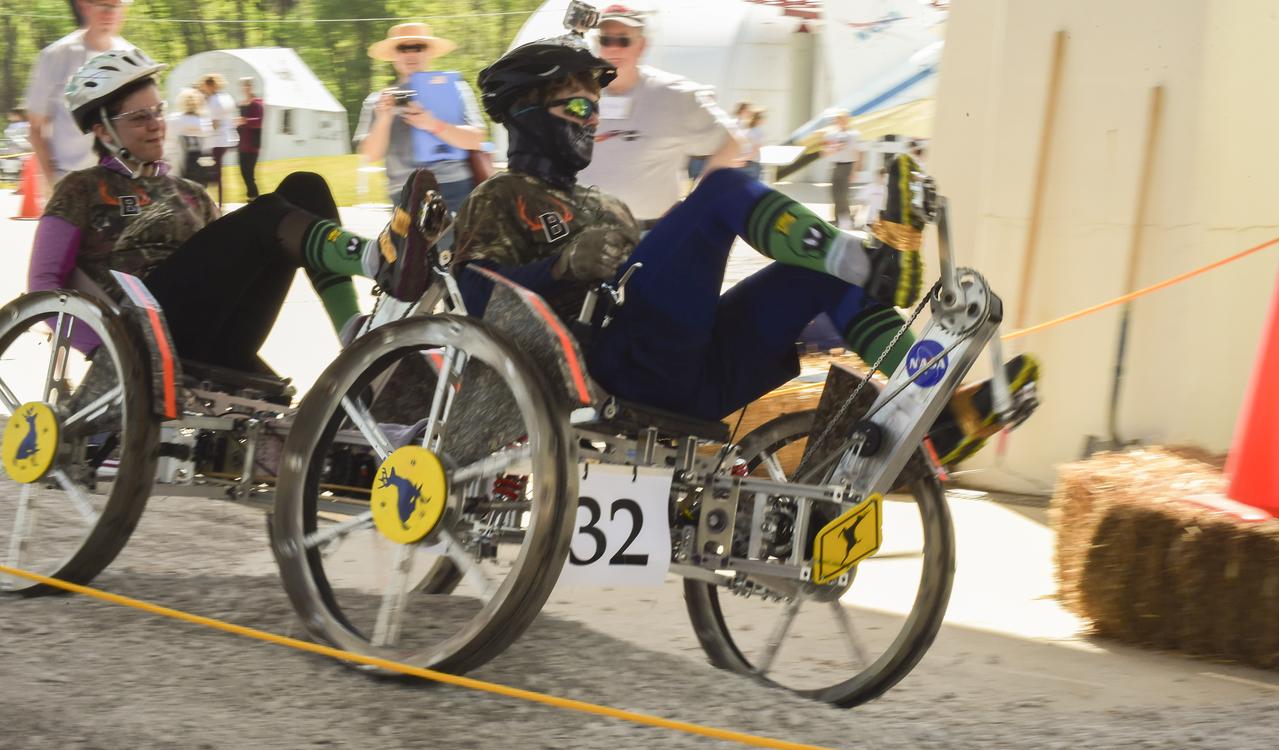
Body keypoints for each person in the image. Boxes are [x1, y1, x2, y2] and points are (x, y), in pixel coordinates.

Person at [454, 38, 1040, 466]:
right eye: (578, 106)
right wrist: (562, 263)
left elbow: (670, 274)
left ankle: (936, 416)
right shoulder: (499, 195)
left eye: (596, 107)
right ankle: (874, 265)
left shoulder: (610, 207)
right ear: (527, 117)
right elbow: (476, 295)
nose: (593, 119)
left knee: (814, 277)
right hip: (609, 369)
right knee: (723, 188)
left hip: (692, 375)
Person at [27, 49, 442, 379]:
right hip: (143, 328)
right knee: (266, 214)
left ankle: (352, 330)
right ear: (102, 129)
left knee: (305, 187)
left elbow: (225, 263)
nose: (156, 124)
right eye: (140, 117)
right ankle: (376, 257)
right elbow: (43, 285)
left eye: (158, 111)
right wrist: (104, 354)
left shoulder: (190, 193)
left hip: (215, 329)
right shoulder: (81, 189)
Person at [578, 4, 744, 227]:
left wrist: (699, 199)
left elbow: (732, 142)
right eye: (606, 40)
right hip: (583, 234)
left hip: (648, 235)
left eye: (623, 40)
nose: (613, 49)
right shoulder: (578, 94)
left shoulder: (675, 95)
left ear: (642, 45)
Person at [353, 22, 486, 216]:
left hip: (454, 190)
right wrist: (384, 118)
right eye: (403, 48)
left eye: (418, 47)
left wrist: (433, 124)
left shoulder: (455, 89)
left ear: (429, 53)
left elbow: (476, 139)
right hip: (405, 195)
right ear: (394, 55)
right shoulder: (379, 101)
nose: (410, 54)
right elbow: (370, 155)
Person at [25, 0, 136, 191]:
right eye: (103, 6)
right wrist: (53, 184)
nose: (109, 13)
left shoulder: (133, 58)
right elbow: (36, 129)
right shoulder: (55, 56)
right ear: (85, 6)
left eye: (116, 6)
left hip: (120, 181)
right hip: (70, 181)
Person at [198, 74, 238, 206]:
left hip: (216, 140)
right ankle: (219, 201)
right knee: (217, 172)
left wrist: (201, 131)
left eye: (204, 85)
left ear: (209, 85)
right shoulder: (226, 97)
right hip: (226, 138)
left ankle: (214, 202)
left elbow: (214, 124)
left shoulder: (214, 101)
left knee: (211, 172)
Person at [823, 109, 862, 229]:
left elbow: (858, 153)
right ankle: (838, 219)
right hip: (836, 165)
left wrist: (855, 171)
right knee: (835, 193)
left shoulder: (854, 134)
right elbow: (824, 152)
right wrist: (833, 148)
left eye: (843, 119)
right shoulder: (830, 134)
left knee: (843, 194)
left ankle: (845, 219)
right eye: (838, 119)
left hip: (848, 166)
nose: (840, 121)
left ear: (848, 120)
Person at [170, 88, 212, 187]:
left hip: (184, 162)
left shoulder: (176, 120)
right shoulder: (203, 121)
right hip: (201, 161)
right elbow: (208, 143)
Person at [236, 76, 264, 200]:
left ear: (251, 87)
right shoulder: (242, 104)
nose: (245, 88)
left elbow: (259, 122)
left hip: (252, 145)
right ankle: (252, 197)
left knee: (249, 173)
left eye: (247, 85)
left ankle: (254, 197)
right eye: (243, 86)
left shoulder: (257, 103)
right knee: (243, 172)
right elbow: (240, 124)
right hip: (242, 144)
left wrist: (244, 121)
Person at [736, 104, 765, 183]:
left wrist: (741, 160)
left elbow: (754, 150)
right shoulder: (753, 130)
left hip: (748, 164)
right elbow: (754, 151)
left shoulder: (752, 130)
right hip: (746, 164)